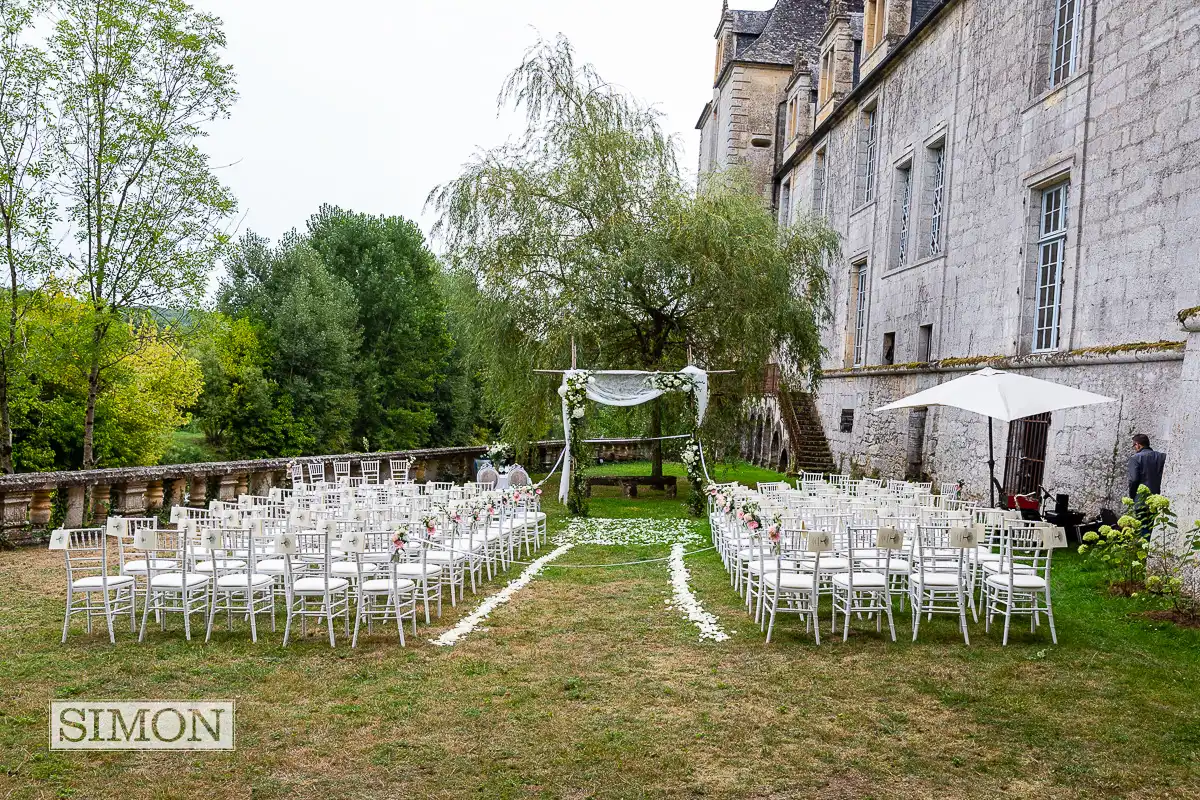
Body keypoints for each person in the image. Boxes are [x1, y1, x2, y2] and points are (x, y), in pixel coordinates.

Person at [1128, 434, 1167, 538]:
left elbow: (1134, 479)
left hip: (1141, 499)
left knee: (1144, 528)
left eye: (1134, 446)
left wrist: (1132, 495)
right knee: (1156, 526)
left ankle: (1146, 552)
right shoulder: (1162, 456)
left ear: (1138, 445)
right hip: (1158, 498)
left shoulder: (1135, 458)